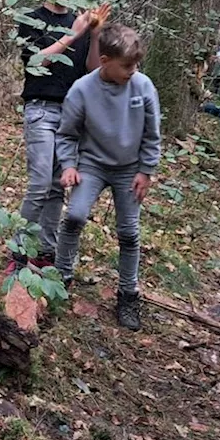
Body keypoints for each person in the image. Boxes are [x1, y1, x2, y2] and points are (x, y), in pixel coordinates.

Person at [53, 25, 160, 330]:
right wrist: (69, 165)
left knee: (129, 232)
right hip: (92, 163)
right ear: (104, 60)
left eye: (136, 64)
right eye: (126, 65)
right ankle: (61, 278)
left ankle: (128, 295)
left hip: (129, 168)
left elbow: (152, 135)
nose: (133, 70)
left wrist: (145, 171)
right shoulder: (82, 89)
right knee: (74, 215)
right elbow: (67, 133)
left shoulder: (143, 86)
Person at [8, 0, 102, 273]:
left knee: (56, 185)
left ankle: (46, 251)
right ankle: (17, 252)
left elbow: (93, 69)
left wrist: (96, 32)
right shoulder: (31, 18)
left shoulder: (82, 24)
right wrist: (72, 33)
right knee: (38, 182)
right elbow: (35, 63)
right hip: (40, 108)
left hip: (72, 114)